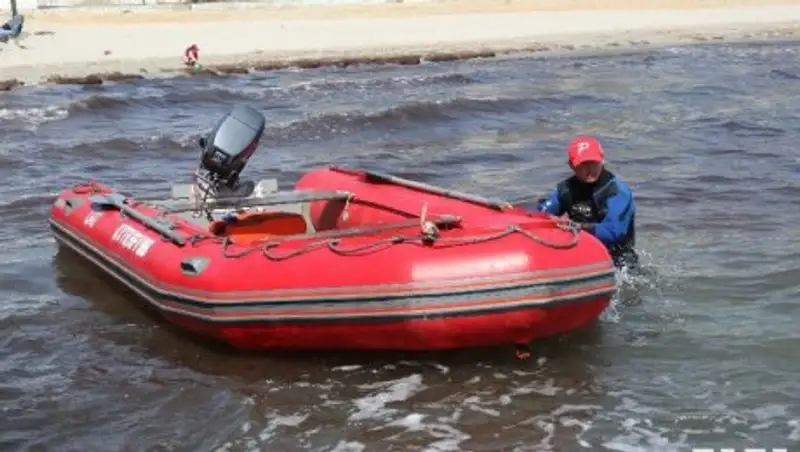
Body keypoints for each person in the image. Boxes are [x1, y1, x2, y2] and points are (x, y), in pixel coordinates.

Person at [537, 136, 639, 269]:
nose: (589, 169)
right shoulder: (566, 190)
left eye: (593, 163)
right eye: (582, 165)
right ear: (571, 165)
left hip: (617, 260)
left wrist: (579, 227)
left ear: (602, 160)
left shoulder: (617, 192)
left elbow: (615, 232)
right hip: (582, 255)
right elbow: (540, 214)